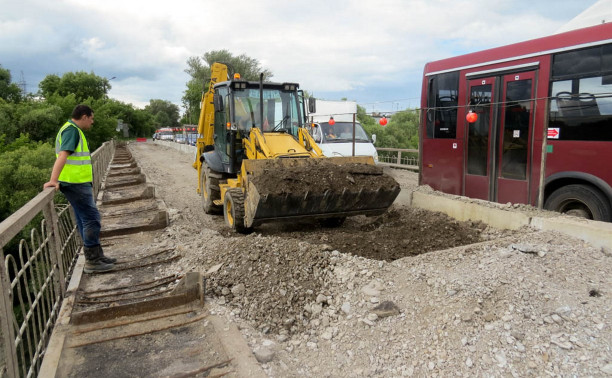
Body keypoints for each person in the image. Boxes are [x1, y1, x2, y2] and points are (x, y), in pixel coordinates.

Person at [43, 105, 115, 273]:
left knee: (85, 219)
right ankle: (92, 261)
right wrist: (53, 180)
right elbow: (63, 155)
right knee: (92, 218)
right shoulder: (72, 131)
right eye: (91, 118)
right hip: (74, 184)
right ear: (83, 116)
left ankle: (97, 255)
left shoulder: (72, 129)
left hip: (77, 183)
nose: (92, 121)